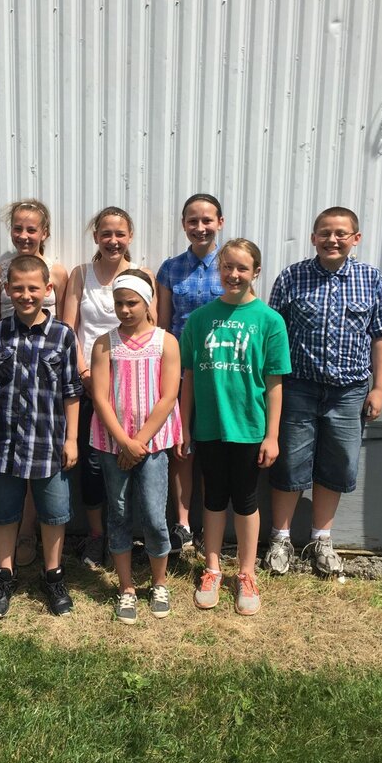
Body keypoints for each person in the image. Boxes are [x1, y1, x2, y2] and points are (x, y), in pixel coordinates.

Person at [264, 207, 382, 576]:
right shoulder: (292, 277)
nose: (332, 239)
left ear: (356, 238)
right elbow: (273, 337)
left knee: (336, 465)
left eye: (341, 233)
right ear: (313, 238)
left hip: (349, 392)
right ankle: (280, 539)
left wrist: (380, 388)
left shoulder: (371, 279)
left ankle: (321, 540)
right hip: (298, 389)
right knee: (290, 464)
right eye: (325, 233)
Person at [178, 239, 291, 615]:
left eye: (242, 268)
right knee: (212, 498)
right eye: (227, 267)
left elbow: (274, 383)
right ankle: (211, 568)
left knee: (245, 500)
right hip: (210, 426)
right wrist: (185, 426)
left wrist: (272, 435)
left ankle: (245, 573)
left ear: (256, 272)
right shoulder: (199, 319)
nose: (234, 274)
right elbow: (189, 377)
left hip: (249, 427)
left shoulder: (269, 321)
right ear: (218, 270)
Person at [0, 254, 82, 618]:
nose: (26, 295)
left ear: (48, 290)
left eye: (33, 288)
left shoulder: (62, 336)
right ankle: (4, 575)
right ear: (7, 290)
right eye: (18, 288)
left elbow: (72, 391)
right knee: (5, 513)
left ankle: (53, 575)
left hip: (49, 443)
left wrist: (71, 440)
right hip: (3, 441)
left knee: (53, 514)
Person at [63, 206, 156, 569]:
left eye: (119, 233)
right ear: (96, 237)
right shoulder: (80, 274)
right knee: (93, 466)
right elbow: (69, 329)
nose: (112, 240)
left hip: (134, 390)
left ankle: (131, 535)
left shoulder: (144, 275)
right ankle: (97, 535)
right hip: (89, 386)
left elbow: (154, 329)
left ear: (130, 236)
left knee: (134, 462)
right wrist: (84, 373)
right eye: (105, 233)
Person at [90, 270, 181, 624]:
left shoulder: (165, 342)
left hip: (152, 445)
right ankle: (126, 587)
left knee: (155, 516)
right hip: (113, 445)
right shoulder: (104, 343)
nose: (125, 310)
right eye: (119, 303)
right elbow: (100, 396)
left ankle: (159, 582)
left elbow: (169, 395)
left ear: (147, 303)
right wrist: (123, 442)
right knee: (120, 512)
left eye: (132, 303)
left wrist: (139, 442)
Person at [0, 199, 69, 568]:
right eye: (17, 228)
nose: (24, 235)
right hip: (6, 359)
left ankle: (30, 531)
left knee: (41, 458)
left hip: (44, 365)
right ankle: (12, 538)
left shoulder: (58, 272)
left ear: (44, 233)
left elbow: (64, 323)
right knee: (14, 459)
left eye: (31, 229)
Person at [156, 193, 225, 552]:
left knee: (212, 447)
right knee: (182, 450)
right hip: (181, 371)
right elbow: (164, 324)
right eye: (192, 221)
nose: (200, 227)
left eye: (207, 220)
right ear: (184, 225)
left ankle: (210, 523)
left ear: (220, 223)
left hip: (221, 373)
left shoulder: (231, 265)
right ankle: (181, 525)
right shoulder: (170, 268)